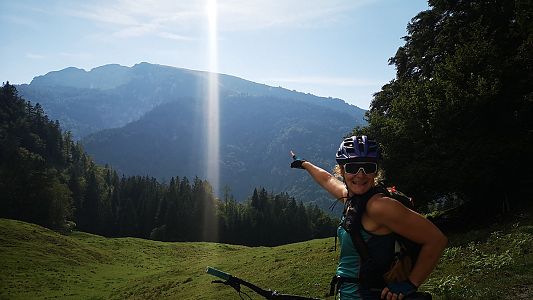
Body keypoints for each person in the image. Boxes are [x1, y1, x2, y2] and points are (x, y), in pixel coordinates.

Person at [290, 135, 447, 300]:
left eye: (367, 167)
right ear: (341, 170)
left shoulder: (379, 207)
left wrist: (410, 284)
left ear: (376, 171)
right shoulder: (353, 199)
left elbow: (436, 240)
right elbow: (328, 179)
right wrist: (304, 163)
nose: (360, 175)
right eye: (352, 168)